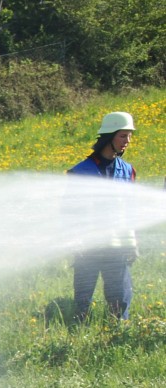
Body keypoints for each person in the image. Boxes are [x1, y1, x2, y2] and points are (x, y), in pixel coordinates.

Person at [67, 111, 137, 322]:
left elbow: (129, 211)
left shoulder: (128, 171)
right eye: (123, 136)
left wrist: (132, 243)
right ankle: (78, 332)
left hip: (117, 248)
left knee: (120, 298)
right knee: (82, 301)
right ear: (109, 137)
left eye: (129, 136)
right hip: (87, 247)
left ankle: (118, 332)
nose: (127, 141)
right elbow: (70, 211)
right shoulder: (80, 172)